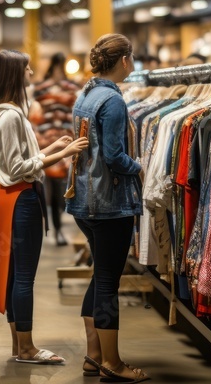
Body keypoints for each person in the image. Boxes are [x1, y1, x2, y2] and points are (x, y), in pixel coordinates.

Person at [0, 49, 89, 366]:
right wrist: (63, 152)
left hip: (10, 197)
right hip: (21, 197)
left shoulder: (4, 112)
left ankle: (20, 345)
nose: (31, 73)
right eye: (27, 69)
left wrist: (52, 147)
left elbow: (19, 156)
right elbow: (18, 167)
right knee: (23, 277)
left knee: (14, 273)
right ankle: (27, 348)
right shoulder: (12, 115)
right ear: (16, 75)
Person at [64, 34, 148, 383]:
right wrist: (141, 165)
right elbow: (114, 156)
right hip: (110, 204)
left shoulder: (86, 94)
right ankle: (112, 363)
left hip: (85, 201)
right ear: (125, 60)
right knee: (108, 282)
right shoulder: (113, 101)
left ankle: (93, 356)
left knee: (100, 275)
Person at [28, 52, 81, 246]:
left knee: (60, 186)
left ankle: (56, 226)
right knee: (49, 185)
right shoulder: (41, 88)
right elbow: (33, 112)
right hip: (47, 140)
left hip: (64, 139)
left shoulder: (72, 87)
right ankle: (54, 228)